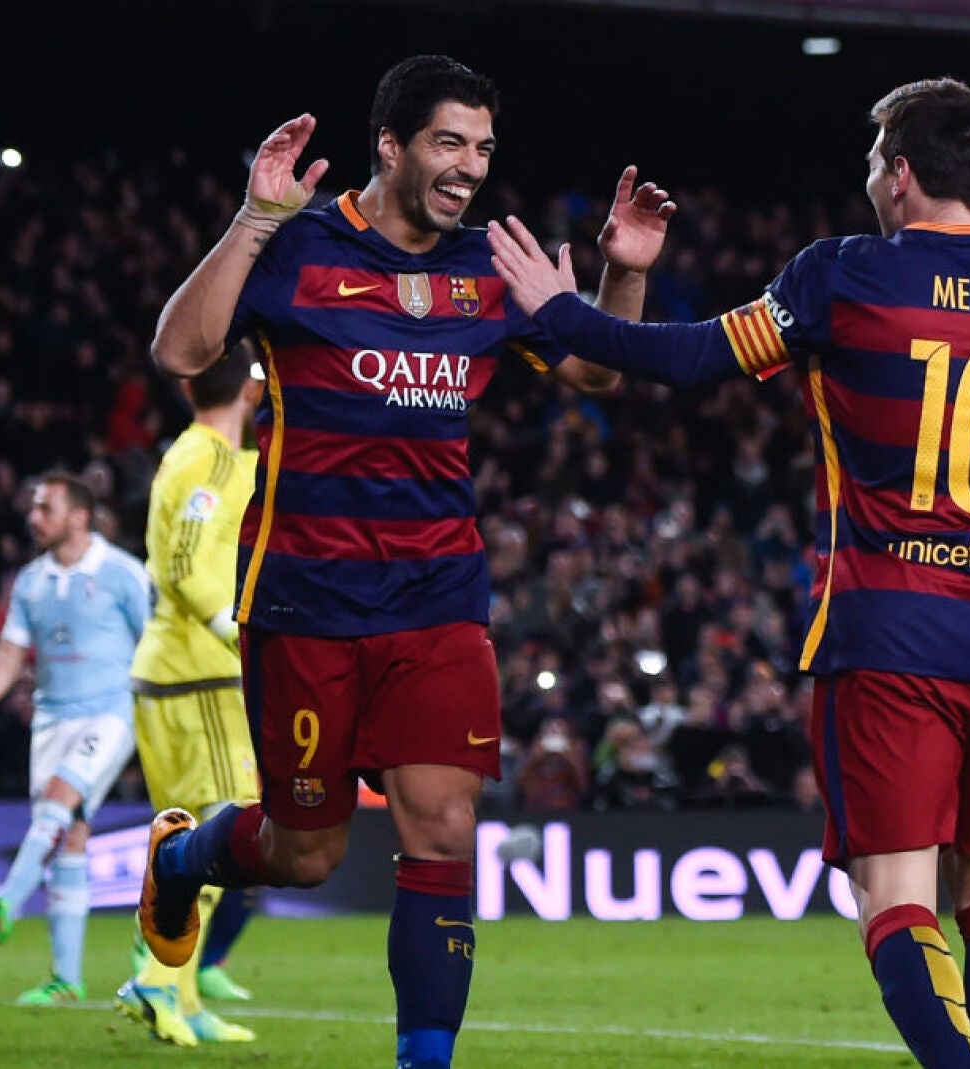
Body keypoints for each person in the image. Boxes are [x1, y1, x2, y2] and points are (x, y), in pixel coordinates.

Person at [488, 75, 970, 1069]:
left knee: (894, 896)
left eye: (874, 160)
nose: (869, 177)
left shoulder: (844, 278)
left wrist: (560, 312)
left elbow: (690, 359)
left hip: (890, 636)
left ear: (901, 174)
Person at [135, 55, 673, 1069]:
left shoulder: (490, 265)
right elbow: (180, 352)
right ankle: (184, 855)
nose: (469, 166)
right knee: (305, 852)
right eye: (447, 142)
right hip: (305, 598)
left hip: (436, 597)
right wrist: (252, 218)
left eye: (483, 147)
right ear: (390, 144)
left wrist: (625, 274)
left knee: (443, 828)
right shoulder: (299, 248)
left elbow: (599, 373)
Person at [0, 473, 151, 1006]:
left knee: (61, 799)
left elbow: (156, 640)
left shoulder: (122, 573)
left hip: (110, 713)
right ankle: (66, 979)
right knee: (69, 837)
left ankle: (4, 906)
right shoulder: (31, 582)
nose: (33, 518)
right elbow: (10, 653)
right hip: (52, 720)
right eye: (33, 508)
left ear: (79, 517)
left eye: (45, 509)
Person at [113, 344, 266, 1045]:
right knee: (225, 830)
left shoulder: (197, 455)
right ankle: (155, 978)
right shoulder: (210, 458)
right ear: (250, 391)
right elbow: (182, 563)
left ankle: (181, 995)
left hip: (172, 671)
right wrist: (232, 630)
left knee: (182, 838)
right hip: (197, 672)